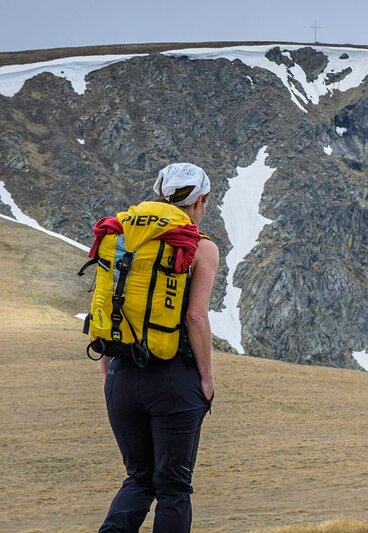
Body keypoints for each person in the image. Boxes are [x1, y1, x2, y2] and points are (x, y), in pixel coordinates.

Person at [96, 163, 220, 532]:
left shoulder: (121, 236)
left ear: (158, 192)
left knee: (138, 479)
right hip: (172, 379)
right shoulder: (200, 246)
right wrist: (207, 378)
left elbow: (110, 303)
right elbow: (195, 317)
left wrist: (108, 372)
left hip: (121, 373)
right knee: (173, 488)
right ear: (201, 201)